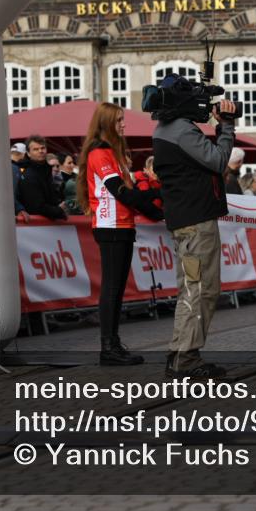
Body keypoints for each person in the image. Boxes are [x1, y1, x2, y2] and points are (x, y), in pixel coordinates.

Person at [152, 74, 237, 379]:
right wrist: (226, 127)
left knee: (191, 288)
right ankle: (186, 358)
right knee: (202, 290)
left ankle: (180, 352)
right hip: (197, 224)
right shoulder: (181, 131)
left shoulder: (164, 128)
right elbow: (217, 161)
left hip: (185, 223)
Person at [77, 103, 162, 366]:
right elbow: (120, 192)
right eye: (119, 121)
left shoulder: (112, 153)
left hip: (122, 225)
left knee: (116, 288)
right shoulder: (100, 152)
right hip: (110, 226)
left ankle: (113, 343)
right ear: (105, 124)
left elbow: (129, 194)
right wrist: (158, 194)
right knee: (112, 288)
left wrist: (159, 211)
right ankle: (108, 347)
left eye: (123, 119)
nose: (124, 125)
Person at [19, 135, 67, 220]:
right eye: (36, 149)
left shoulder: (47, 170)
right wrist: (58, 210)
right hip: (36, 226)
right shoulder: (29, 174)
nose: (40, 151)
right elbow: (36, 206)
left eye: (42, 148)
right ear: (28, 153)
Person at [10, 143, 30, 224]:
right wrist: (20, 208)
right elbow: (12, 193)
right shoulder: (14, 168)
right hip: (18, 214)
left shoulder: (12, 166)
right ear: (24, 154)